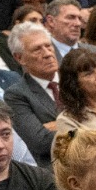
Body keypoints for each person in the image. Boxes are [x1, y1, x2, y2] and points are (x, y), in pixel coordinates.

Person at [5, 21, 63, 165]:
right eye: (37, 49)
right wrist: (81, 127)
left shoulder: (76, 79)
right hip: (56, 168)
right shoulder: (16, 95)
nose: (47, 54)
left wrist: (59, 124)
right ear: (19, 58)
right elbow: (41, 142)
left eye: (48, 46)